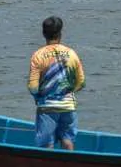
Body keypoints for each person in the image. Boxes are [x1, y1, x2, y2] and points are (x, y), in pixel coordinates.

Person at [27, 16, 85, 150]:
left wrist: (38, 97)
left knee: (46, 144)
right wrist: (68, 92)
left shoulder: (38, 55)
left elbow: (33, 87)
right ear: (60, 33)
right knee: (68, 140)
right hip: (68, 106)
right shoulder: (72, 54)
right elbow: (81, 83)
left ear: (43, 34)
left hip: (47, 107)